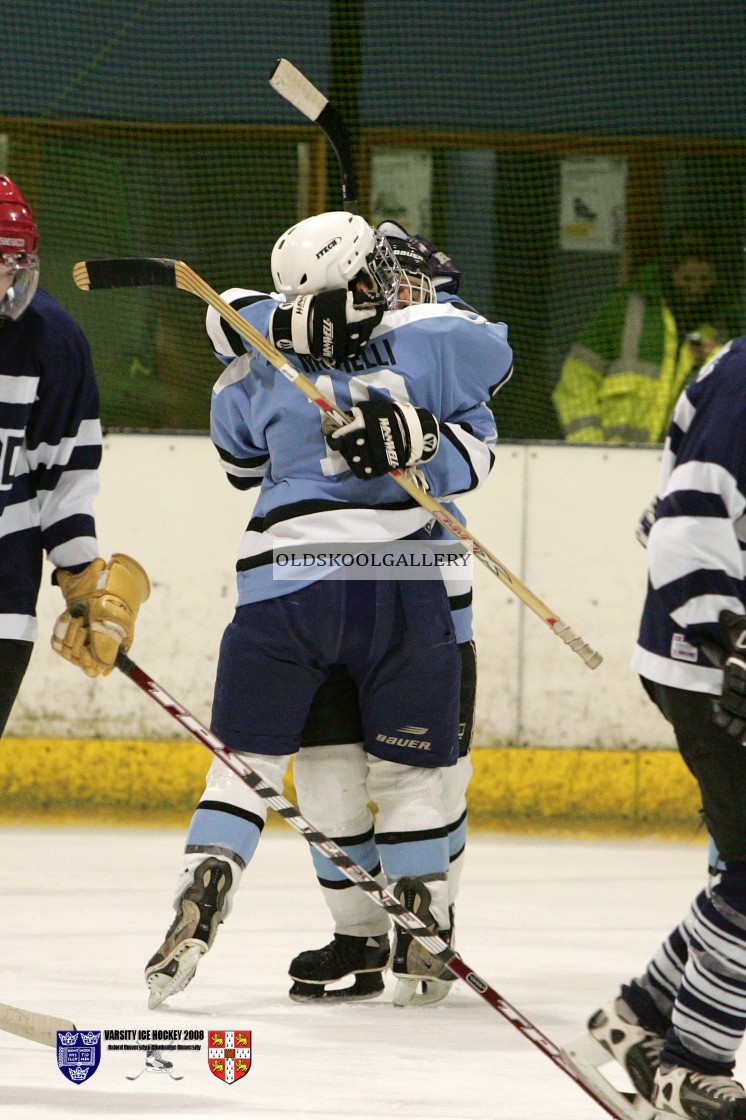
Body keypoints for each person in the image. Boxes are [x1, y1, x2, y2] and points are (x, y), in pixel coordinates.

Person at [144, 210, 513, 1011]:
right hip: (411, 583)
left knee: (281, 769)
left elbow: (241, 458)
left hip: (289, 583)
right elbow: (491, 355)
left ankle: (212, 868)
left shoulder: (254, 367)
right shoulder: (430, 345)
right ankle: (415, 918)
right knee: (419, 774)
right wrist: (415, 425)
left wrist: (411, 436)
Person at [287, 223, 479, 1007]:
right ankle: (359, 934)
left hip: (429, 590)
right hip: (329, 587)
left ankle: (431, 924)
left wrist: (422, 438)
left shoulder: (443, 336)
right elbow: (228, 309)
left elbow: (478, 443)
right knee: (328, 777)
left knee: (433, 772)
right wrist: (307, 312)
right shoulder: (309, 333)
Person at [570, 334, 746, 1118]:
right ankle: (689, 1065)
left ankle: (638, 1019)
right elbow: (681, 527)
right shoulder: (745, 379)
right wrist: (734, 636)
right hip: (707, 660)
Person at [0, 174, 150, 735]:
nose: (5, 280)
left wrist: (81, 573)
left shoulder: (50, 339)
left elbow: (61, 474)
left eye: (11, 264)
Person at [552, 224, 741, 444]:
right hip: (611, 458)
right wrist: (590, 444)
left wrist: (719, 357)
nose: (696, 289)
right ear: (669, 274)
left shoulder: (725, 325)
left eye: (705, 279)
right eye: (687, 279)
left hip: (679, 467)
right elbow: (577, 378)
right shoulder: (626, 310)